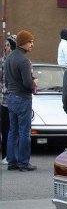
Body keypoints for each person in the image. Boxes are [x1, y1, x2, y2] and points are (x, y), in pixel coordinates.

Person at [5, 30, 37, 171]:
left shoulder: (9, 58)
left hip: (11, 97)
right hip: (23, 99)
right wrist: (34, 81)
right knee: (24, 132)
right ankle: (24, 163)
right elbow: (27, 84)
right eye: (30, 42)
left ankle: (11, 162)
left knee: (13, 131)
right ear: (23, 42)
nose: (32, 45)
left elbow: (6, 81)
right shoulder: (24, 61)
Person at [0, 35, 13, 164]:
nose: (6, 48)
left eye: (8, 45)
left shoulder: (15, 60)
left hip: (15, 99)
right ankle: (4, 156)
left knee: (14, 129)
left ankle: (12, 155)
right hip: (4, 100)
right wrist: (4, 90)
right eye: (5, 45)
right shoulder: (2, 61)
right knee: (5, 129)